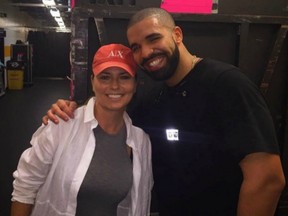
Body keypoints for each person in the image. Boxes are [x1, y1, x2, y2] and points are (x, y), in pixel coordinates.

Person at [42, 8, 286, 216]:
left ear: (177, 34)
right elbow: (109, 109)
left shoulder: (226, 84)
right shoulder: (155, 98)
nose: (146, 53)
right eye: (136, 47)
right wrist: (72, 109)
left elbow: (267, 179)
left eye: (153, 39)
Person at [11, 44, 153, 216]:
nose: (114, 86)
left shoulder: (141, 141)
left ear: (135, 84)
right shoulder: (62, 124)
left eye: (124, 77)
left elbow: (140, 200)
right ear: (93, 82)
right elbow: (24, 188)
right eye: (105, 77)